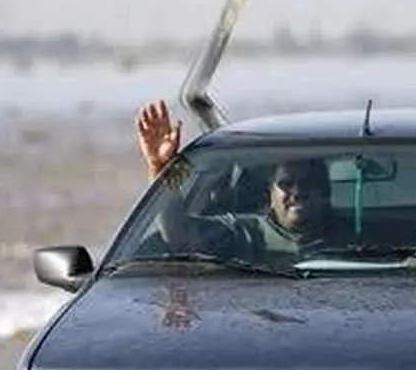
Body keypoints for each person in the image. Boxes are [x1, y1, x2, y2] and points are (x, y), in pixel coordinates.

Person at [134, 100, 351, 260]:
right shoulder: (244, 234)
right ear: (270, 193)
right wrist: (161, 169)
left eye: (308, 183)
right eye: (285, 184)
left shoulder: (355, 237)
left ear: (325, 191)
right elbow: (179, 234)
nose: (297, 192)